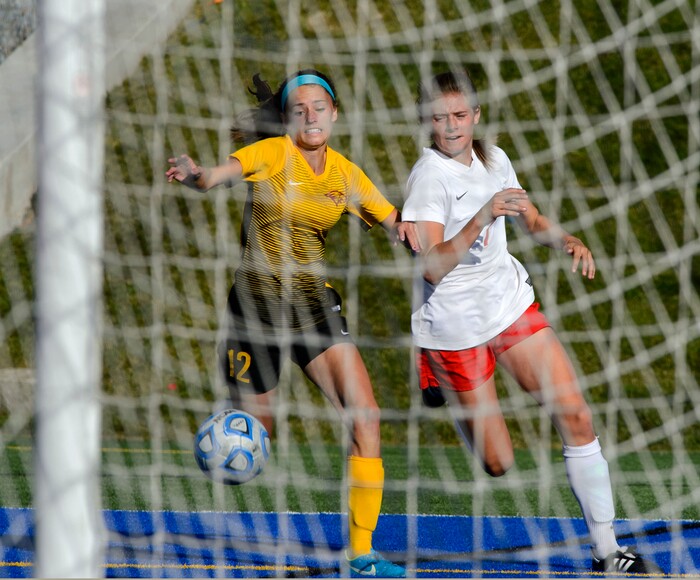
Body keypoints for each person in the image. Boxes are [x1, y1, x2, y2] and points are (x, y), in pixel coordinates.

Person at [401, 70, 661, 575]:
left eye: (460, 115)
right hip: (454, 327)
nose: (451, 126)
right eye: (440, 117)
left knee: (577, 415)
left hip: (508, 304)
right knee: (498, 462)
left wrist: (567, 239)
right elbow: (431, 265)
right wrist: (480, 217)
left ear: (476, 115)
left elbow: (531, 218)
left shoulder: (495, 159)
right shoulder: (429, 178)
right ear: (425, 120)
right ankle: (434, 369)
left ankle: (607, 554)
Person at [166, 69, 417, 578]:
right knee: (258, 433)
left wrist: (436, 227)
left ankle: (361, 556)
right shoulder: (272, 153)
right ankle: (223, 430)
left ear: (335, 113)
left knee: (365, 415)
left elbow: (398, 224)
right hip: (253, 312)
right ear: (286, 118)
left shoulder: (346, 174)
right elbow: (215, 176)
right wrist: (196, 174)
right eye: (299, 108)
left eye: (319, 106)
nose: (310, 116)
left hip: (311, 307)